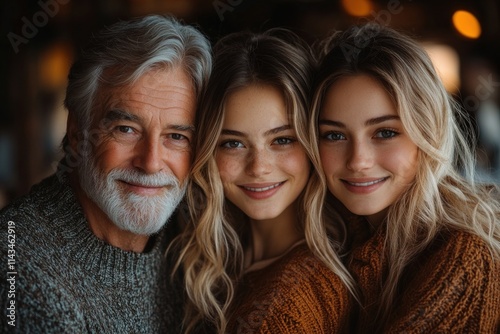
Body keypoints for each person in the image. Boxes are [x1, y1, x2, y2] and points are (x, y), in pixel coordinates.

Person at [0, 15, 211, 332]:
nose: (151, 162)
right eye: (126, 129)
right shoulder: (19, 263)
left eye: (177, 137)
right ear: (76, 132)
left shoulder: (197, 239)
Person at [310, 23, 500, 333]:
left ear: (429, 132)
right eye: (334, 135)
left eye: (385, 132)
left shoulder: (466, 259)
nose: (358, 161)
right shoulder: (328, 242)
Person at [172, 29, 356, 333]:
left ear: (312, 141)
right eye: (233, 143)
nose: (258, 168)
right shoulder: (209, 255)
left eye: (282, 139)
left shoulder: (287, 308)